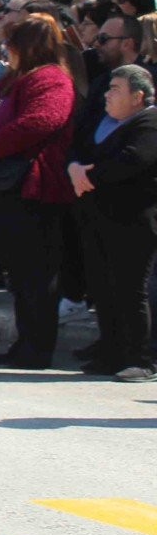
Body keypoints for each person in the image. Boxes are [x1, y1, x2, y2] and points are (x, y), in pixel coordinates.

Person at [0, 14, 77, 369]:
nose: (5, 50)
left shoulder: (52, 79)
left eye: (11, 43)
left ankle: (36, 347)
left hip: (33, 189)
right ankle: (25, 342)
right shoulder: (12, 79)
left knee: (36, 273)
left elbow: (39, 122)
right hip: (0, 187)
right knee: (19, 273)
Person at [67, 65, 157, 381]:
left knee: (130, 289)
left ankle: (139, 359)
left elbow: (133, 160)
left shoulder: (149, 122)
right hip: (97, 216)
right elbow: (79, 149)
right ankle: (111, 352)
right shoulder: (104, 122)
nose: (107, 94)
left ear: (138, 96)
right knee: (102, 288)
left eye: (116, 88)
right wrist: (74, 167)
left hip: (132, 219)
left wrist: (86, 175)